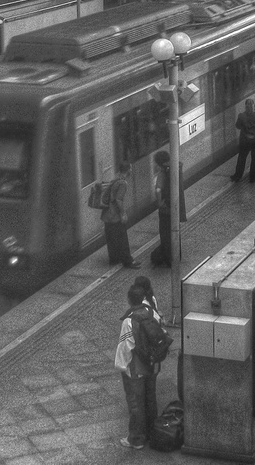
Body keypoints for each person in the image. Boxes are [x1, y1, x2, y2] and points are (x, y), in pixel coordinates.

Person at [116, 281, 162, 449]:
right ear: (143, 298)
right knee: (150, 399)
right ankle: (151, 432)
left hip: (135, 368)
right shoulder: (152, 312)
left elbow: (125, 347)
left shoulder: (129, 321)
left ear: (129, 300)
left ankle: (136, 439)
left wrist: (122, 367)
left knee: (136, 403)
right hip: (152, 364)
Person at [101, 164, 138, 268]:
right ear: (128, 170)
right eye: (130, 168)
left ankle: (114, 259)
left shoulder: (115, 179)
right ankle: (128, 261)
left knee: (111, 237)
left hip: (107, 214)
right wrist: (123, 213)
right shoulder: (123, 183)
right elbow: (118, 199)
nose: (131, 170)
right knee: (122, 237)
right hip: (114, 215)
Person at [232, 100, 255, 183]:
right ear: (252, 106)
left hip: (245, 140)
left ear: (245, 106)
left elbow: (238, 126)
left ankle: (238, 176)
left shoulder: (241, 116)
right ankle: (252, 177)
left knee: (242, 158)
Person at [150, 150, 173, 267]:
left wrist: (159, 203)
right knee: (173, 231)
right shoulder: (172, 169)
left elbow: (158, 189)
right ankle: (174, 256)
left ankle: (168, 258)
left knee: (165, 233)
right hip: (173, 207)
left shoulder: (162, 174)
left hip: (165, 209)